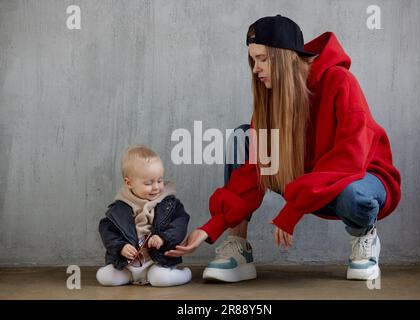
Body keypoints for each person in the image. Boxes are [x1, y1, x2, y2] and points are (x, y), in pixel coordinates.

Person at [165, 15, 401, 282]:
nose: (256, 68)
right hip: (304, 184)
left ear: (286, 57)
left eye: (263, 59)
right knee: (243, 137)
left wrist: (291, 211)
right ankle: (238, 247)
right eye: (253, 60)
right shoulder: (271, 99)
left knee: (353, 191)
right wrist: (210, 227)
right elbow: (252, 172)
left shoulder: (340, 81)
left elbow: (350, 159)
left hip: (359, 179)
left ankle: (364, 237)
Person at [96, 145, 192, 286]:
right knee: (104, 277)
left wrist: (163, 238)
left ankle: (184, 274)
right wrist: (120, 247)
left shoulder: (169, 204)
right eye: (148, 183)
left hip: (157, 262)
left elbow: (180, 223)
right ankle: (132, 277)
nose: (156, 187)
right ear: (129, 183)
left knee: (160, 279)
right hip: (127, 265)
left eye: (159, 180)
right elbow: (107, 231)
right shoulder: (119, 209)